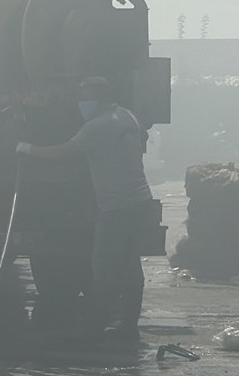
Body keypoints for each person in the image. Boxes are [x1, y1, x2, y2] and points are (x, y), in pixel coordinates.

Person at [16, 76, 153, 344]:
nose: (81, 103)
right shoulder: (128, 116)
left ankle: (93, 329)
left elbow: (63, 152)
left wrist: (26, 148)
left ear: (99, 99)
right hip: (141, 202)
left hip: (116, 208)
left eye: (84, 98)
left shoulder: (98, 126)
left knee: (103, 269)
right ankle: (128, 327)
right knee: (131, 266)